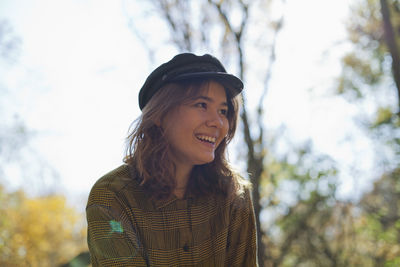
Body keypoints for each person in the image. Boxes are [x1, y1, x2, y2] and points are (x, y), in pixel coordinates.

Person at [86, 53, 258, 266]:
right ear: (159, 114)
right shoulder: (113, 197)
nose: (218, 122)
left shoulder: (234, 194)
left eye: (223, 111)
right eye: (202, 105)